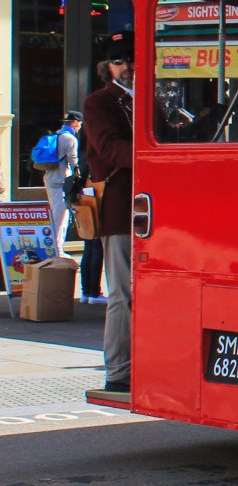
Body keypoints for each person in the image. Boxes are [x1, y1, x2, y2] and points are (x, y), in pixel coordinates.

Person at [83, 31, 136, 396]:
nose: (127, 66)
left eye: (131, 59)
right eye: (119, 61)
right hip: (120, 208)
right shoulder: (100, 102)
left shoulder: (145, 99)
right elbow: (110, 149)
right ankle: (118, 370)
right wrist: (158, 152)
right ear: (108, 67)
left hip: (152, 205)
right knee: (122, 292)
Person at [41, 111, 81, 238]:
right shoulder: (70, 138)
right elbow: (73, 161)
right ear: (75, 123)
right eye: (80, 124)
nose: (80, 127)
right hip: (62, 181)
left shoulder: (57, 135)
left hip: (50, 178)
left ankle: (55, 246)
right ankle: (57, 249)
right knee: (62, 216)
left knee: (56, 212)